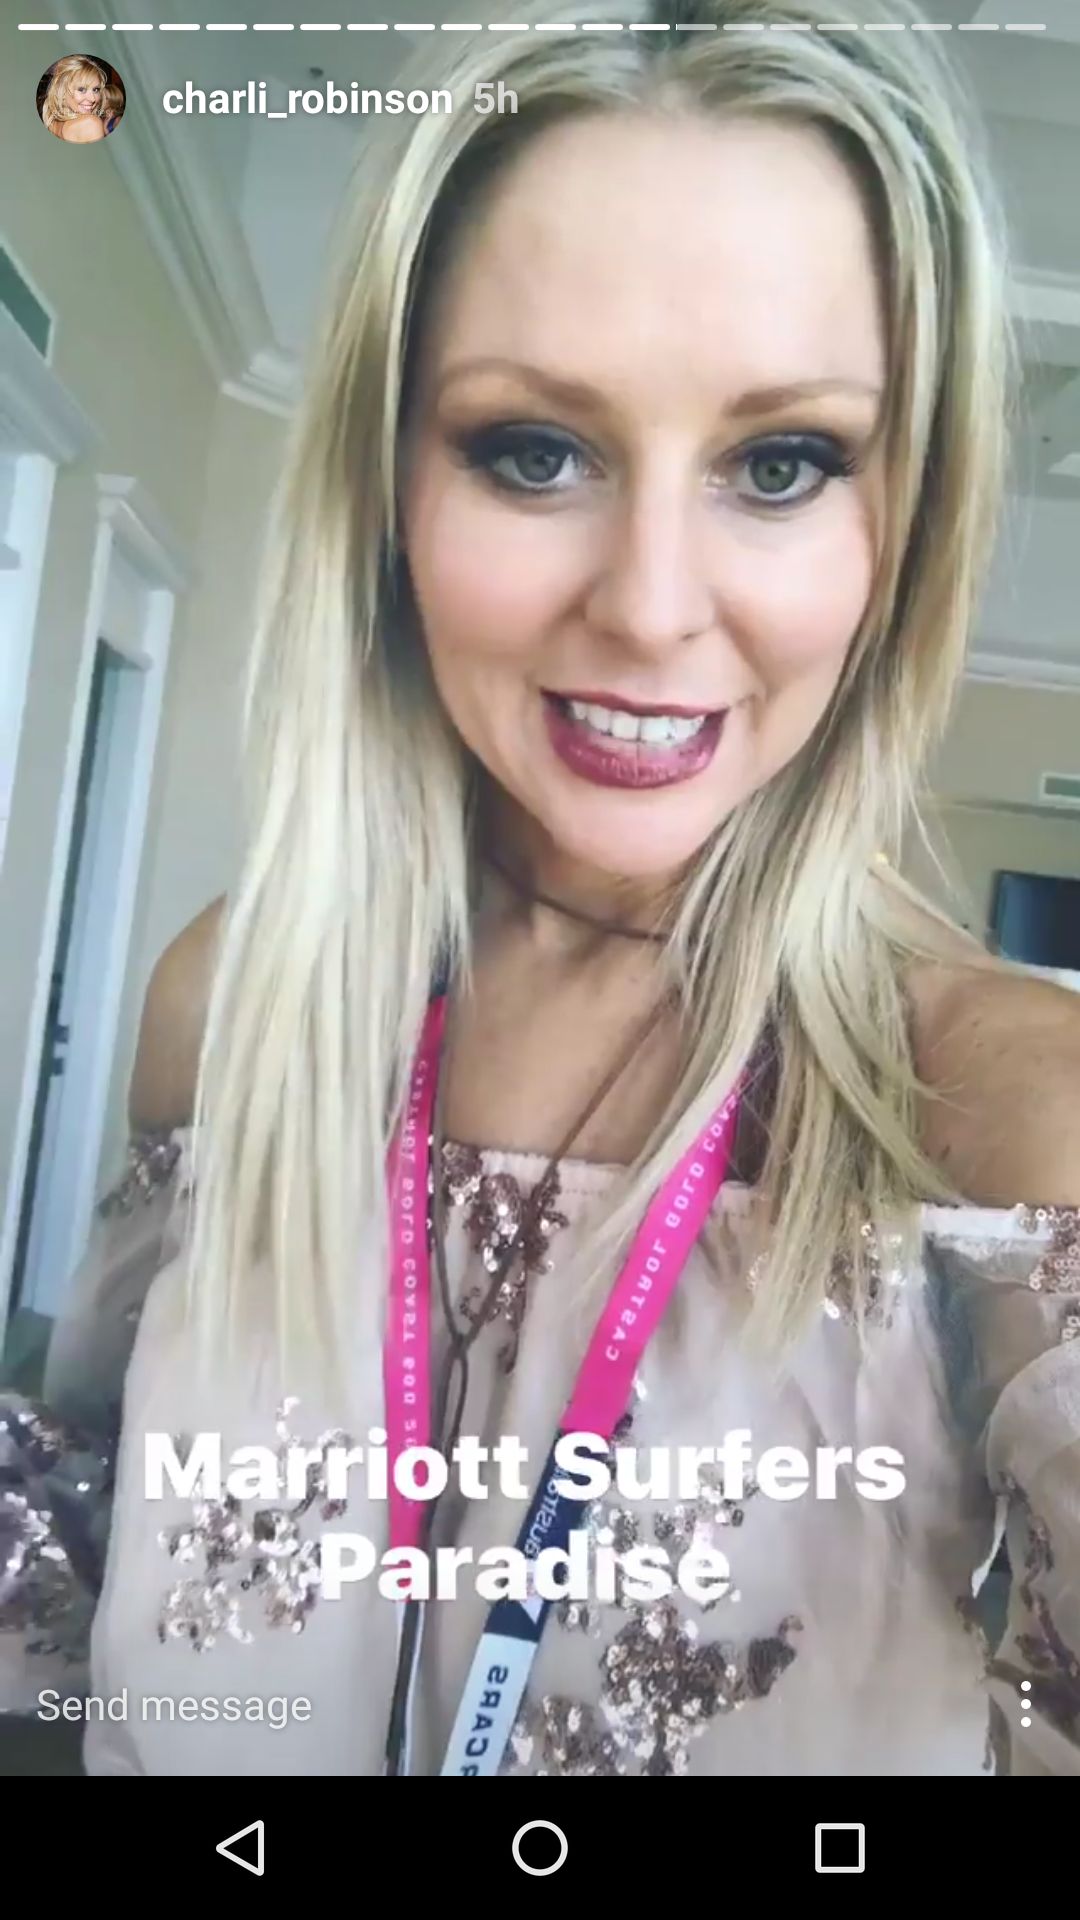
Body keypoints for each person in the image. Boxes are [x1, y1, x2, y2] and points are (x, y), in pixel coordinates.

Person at [8, 0, 1080, 1778]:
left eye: (782, 464)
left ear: (904, 525)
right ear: (389, 489)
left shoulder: (999, 1119)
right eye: (533, 450)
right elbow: (92, 1553)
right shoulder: (240, 1000)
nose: (651, 605)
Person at [40, 55, 108, 145]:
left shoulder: (52, 123)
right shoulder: (91, 124)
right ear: (62, 90)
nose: (92, 99)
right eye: (82, 89)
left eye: (96, 90)